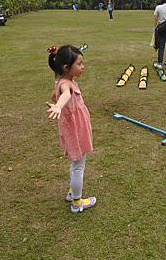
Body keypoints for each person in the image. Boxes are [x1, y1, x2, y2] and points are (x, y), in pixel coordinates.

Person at [46, 45, 96, 213]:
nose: (83, 67)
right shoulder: (66, 85)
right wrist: (59, 106)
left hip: (75, 126)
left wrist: (56, 101)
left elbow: (56, 94)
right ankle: (77, 202)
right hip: (75, 129)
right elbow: (65, 94)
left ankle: (72, 193)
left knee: (76, 164)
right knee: (78, 166)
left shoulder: (63, 81)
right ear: (67, 68)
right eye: (79, 64)